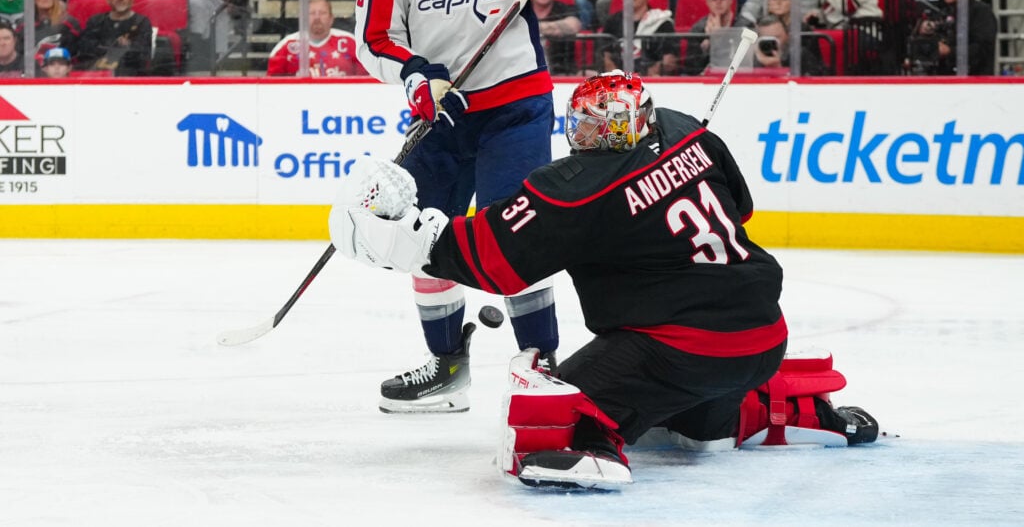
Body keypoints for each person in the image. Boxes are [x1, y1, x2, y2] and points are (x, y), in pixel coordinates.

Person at [329, 71, 879, 489]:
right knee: (691, 422)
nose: (594, 135)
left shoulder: (576, 188)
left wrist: (390, 237)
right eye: (589, 123)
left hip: (678, 352)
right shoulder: (689, 130)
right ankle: (777, 410)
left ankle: (589, 444)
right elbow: (742, 207)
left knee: (548, 407)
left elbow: (490, 261)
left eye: (600, 126)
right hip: (761, 337)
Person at [353, 0, 600, 414]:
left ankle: (541, 367)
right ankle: (447, 367)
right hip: (444, 115)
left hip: (517, 105)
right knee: (419, 237)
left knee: (515, 234)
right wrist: (417, 77)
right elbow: (374, 40)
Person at [912, 0, 996, 75]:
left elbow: (983, 50)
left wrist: (950, 51)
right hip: (944, 79)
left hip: (975, 81)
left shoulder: (981, 12)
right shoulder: (944, 12)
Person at [266, 0, 367, 77]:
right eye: (312, 13)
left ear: (331, 18)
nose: (317, 18)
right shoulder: (285, 47)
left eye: (322, 13)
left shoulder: (351, 43)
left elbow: (368, 83)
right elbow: (272, 87)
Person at [601, 0, 677, 76]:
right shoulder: (612, 22)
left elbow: (669, 61)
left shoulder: (662, 23)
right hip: (617, 82)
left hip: (651, 83)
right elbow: (606, 57)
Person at [76, 0, 153, 75]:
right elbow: (85, 50)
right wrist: (119, 47)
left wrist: (107, 47)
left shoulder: (142, 22)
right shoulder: (95, 21)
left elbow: (142, 55)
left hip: (130, 79)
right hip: (97, 76)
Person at [682, 0, 738, 75]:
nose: (718, 2)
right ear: (707, 2)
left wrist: (720, 38)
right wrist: (708, 46)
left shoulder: (742, 25)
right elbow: (691, 69)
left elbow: (744, 64)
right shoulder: (697, 30)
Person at [754, 6, 825, 75]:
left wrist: (778, 68)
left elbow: (820, 80)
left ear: (787, 36)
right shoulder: (752, 58)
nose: (771, 43)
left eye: (776, 37)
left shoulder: (799, 55)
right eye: (766, 38)